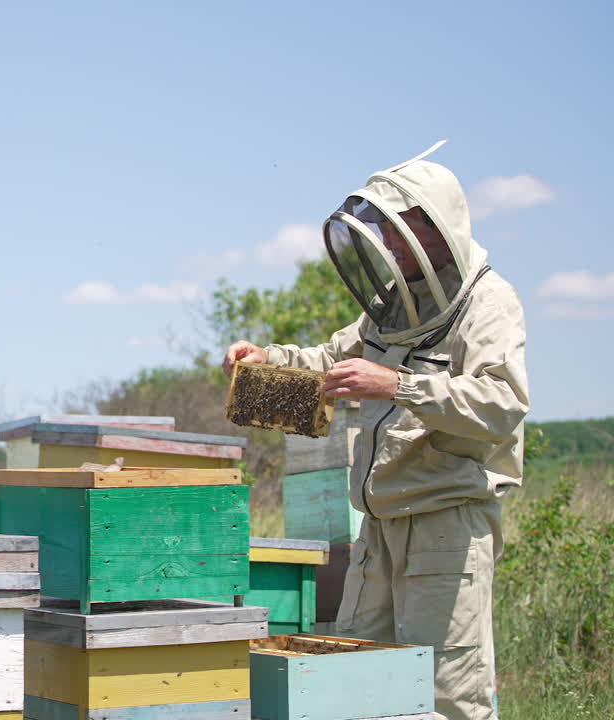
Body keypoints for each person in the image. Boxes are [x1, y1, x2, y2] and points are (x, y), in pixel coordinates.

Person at [222, 142, 528, 720]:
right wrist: (267, 358)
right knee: (358, 685)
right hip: (380, 527)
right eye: (383, 232)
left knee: (448, 697)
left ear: (436, 228)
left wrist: (399, 385)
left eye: (400, 230)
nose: (389, 245)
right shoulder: (394, 304)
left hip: (445, 525)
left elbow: (503, 403)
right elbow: (331, 359)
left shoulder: (490, 303)